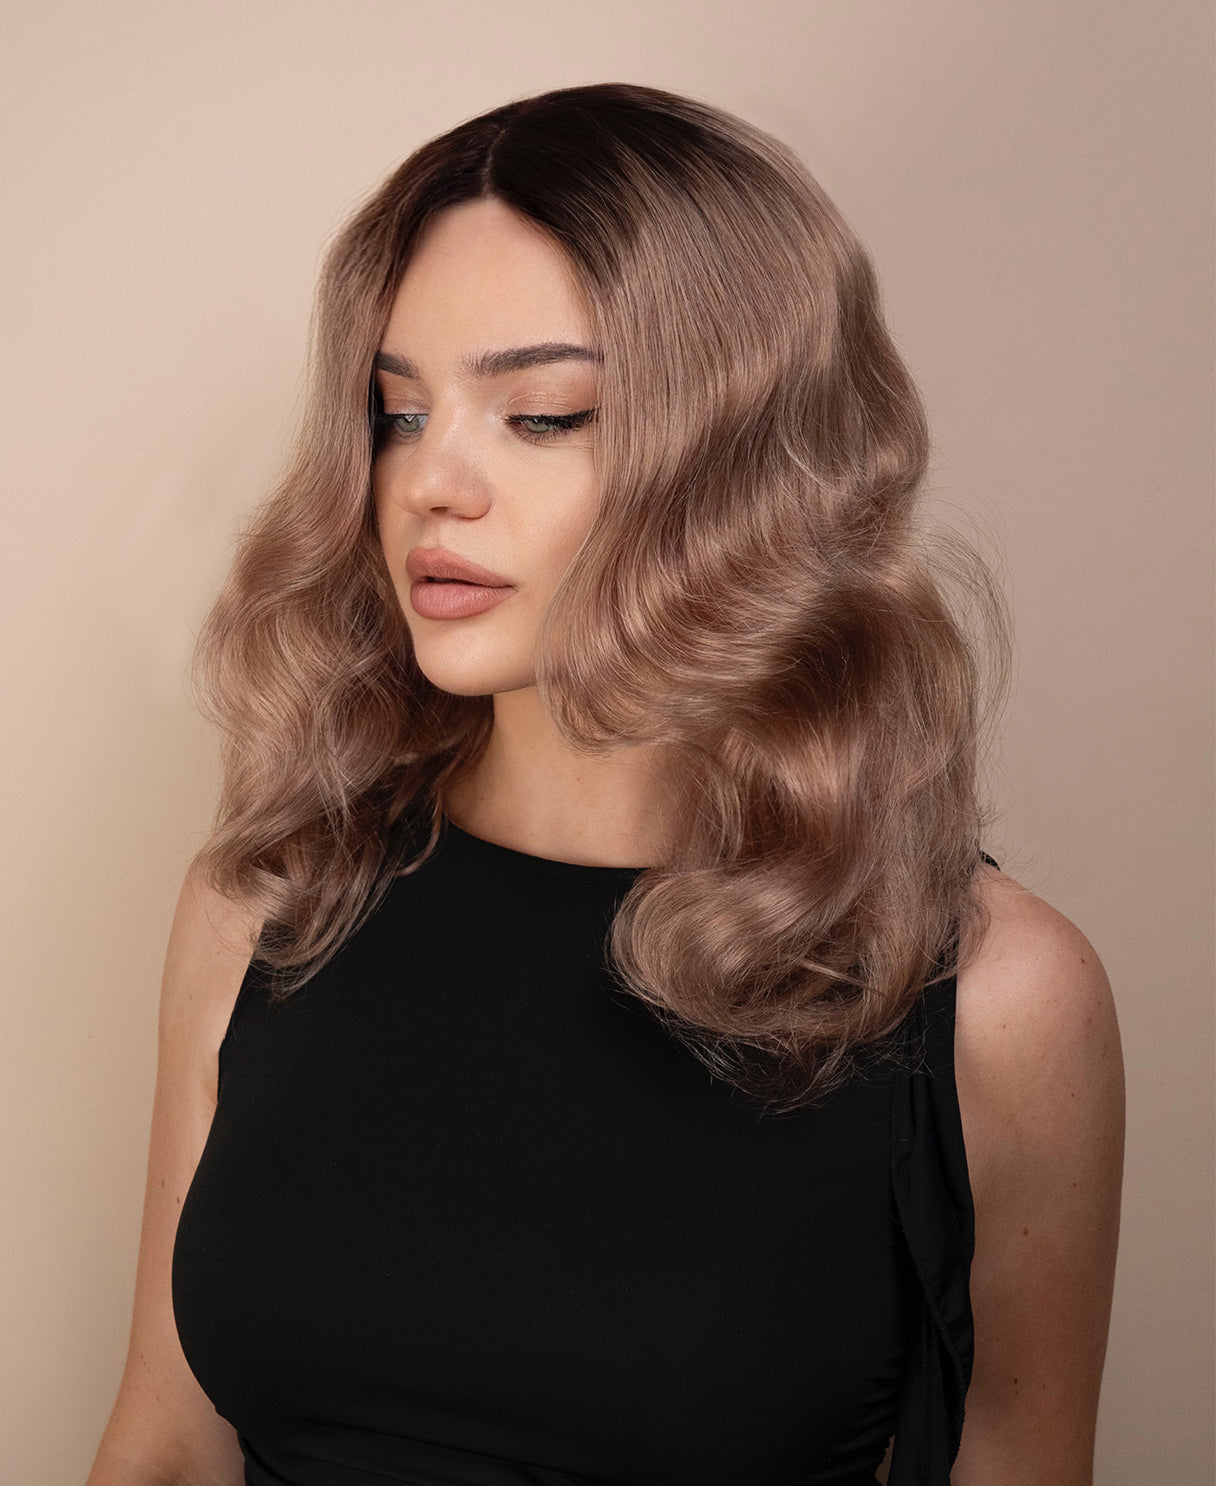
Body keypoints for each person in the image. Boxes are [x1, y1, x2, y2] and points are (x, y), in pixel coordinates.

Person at [86, 82, 1124, 1486]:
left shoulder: (991, 1000)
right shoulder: (272, 903)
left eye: (543, 414)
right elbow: (167, 1442)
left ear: (746, 462)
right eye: (397, 413)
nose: (430, 484)